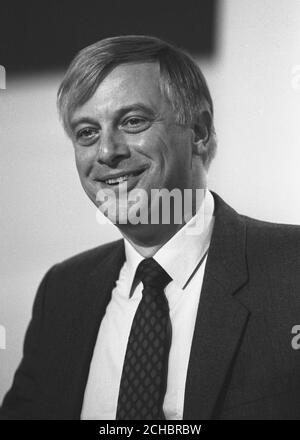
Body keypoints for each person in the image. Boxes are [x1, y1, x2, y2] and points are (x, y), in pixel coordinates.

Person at [1, 35, 300, 420]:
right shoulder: (62, 294)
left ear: (200, 131)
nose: (108, 152)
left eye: (133, 121)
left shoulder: (292, 272)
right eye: (87, 132)